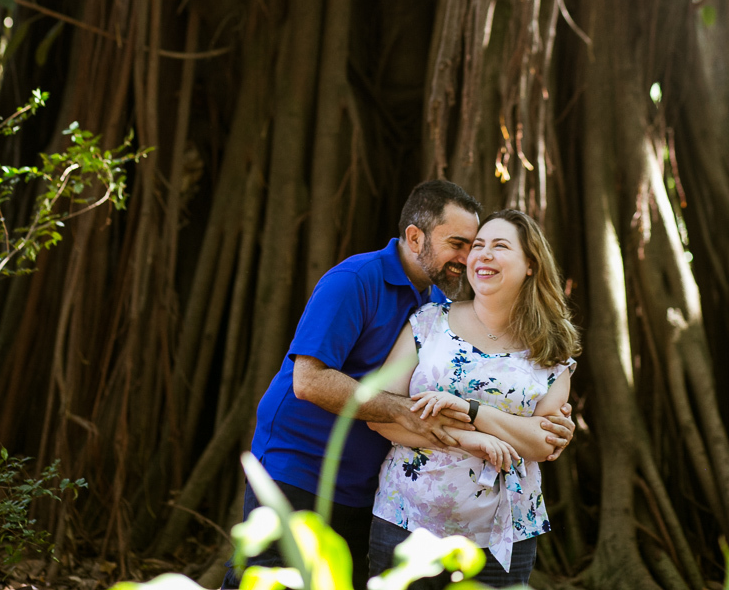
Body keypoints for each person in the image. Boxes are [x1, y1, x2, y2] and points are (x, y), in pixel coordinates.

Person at [224, 186, 574, 590]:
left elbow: (536, 429)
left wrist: (531, 424)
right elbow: (309, 380)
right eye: (459, 244)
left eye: (472, 245)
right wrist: (415, 414)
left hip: (363, 485)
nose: (467, 257)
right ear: (414, 238)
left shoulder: (432, 298)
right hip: (301, 469)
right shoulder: (357, 280)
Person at [367, 209, 581, 589]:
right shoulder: (429, 322)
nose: (482, 254)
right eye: (478, 245)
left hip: (501, 538)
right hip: (406, 520)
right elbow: (380, 415)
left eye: (499, 246)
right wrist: (475, 436)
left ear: (530, 264)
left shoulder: (550, 350)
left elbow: (543, 442)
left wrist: (470, 410)